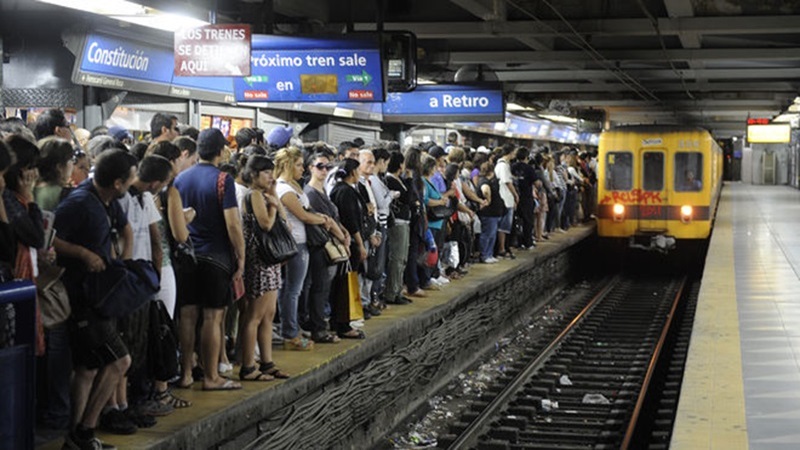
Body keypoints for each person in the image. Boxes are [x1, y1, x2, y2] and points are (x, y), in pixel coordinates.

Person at [54, 149, 137, 450]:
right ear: (117, 182)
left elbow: (125, 230)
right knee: (120, 361)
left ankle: (75, 438)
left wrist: (121, 267)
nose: (134, 182)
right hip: (81, 296)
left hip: (100, 294)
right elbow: (49, 238)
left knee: (88, 368)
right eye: (131, 177)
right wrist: (83, 254)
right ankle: (86, 430)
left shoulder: (107, 201)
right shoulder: (79, 202)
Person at [174, 128, 244, 391]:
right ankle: (212, 376)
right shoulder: (223, 180)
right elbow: (233, 224)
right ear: (220, 151)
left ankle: (186, 374)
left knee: (188, 315)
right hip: (217, 256)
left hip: (188, 255)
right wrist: (242, 256)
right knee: (214, 318)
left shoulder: (180, 178)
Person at [239, 155, 291, 381]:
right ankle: (248, 365)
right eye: (266, 172)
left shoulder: (267, 195)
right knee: (255, 315)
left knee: (268, 313)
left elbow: (284, 221)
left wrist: (276, 202)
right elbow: (266, 224)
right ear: (253, 175)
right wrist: (273, 207)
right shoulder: (254, 195)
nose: (271, 176)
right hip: (259, 259)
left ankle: (267, 361)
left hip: (269, 261)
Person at [275, 146, 331, 350]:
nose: (302, 169)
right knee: (292, 290)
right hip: (295, 244)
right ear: (288, 166)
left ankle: (291, 328)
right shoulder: (284, 189)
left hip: (301, 242)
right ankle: (290, 333)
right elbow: (303, 215)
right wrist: (322, 219)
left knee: (292, 289)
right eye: (298, 165)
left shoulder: (294, 185)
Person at [302, 153, 350, 343]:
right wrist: (343, 237)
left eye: (327, 167)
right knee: (319, 288)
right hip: (321, 245)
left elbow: (334, 219)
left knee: (324, 287)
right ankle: (318, 328)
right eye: (320, 166)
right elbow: (326, 222)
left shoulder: (322, 191)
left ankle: (320, 324)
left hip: (330, 244)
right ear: (310, 168)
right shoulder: (311, 193)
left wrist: (344, 233)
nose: (324, 170)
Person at [329, 158, 368, 340]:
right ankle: (343, 324)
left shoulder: (339, 190)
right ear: (353, 172)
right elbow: (352, 222)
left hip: (343, 242)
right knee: (346, 283)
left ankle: (341, 320)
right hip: (349, 244)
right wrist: (360, 244)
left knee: (343, 283)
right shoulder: (346, 192)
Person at [383, 152, 413, 305]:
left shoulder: (397, 180)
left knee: (403, 259)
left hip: (404, 222)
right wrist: (409, 179)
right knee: (397, 258)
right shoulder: (390, 180)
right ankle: (391, 292)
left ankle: (397, 290)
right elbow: (408, 198)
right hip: (397, 223)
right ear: (399, 164)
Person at [476, 160, 504, 264]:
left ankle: (489, 253)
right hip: (489, 213)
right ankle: (485, 254)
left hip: (493, 213)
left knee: (492, 234)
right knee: (488, 234)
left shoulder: (484, 180)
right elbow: (485, 190)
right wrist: (489, 199)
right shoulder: (484, 181)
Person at [494, 146, 519, 259]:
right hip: (505, 198)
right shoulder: (503, 166)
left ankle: (504, 247)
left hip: (505, 198)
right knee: (504, 226)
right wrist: (515, 195)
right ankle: (501, 248)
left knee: (505, 226)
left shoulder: (503, 165)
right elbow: (507, 182)